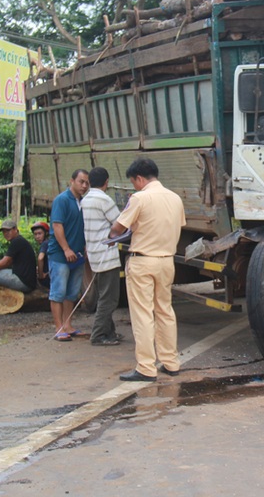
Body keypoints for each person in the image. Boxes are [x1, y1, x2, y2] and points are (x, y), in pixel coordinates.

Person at [110, 158, 185, 382]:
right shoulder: (175, 198)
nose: (134, 185)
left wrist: (117, 232)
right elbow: (177, 225)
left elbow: (117, 228)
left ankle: (145, 367)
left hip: (142, 261)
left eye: (134, 181)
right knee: (165, 311)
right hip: (167, 261)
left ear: (140, 178)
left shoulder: (139, 198)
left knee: (143, 314)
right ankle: (171, 362)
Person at [47, 169, 90, 340]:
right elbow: (58, 226)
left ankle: (68, 324)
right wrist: (66, 248)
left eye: (87, 182)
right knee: (58, 291)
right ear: (72, 181)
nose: (84, 185)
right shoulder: (62, 200)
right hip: (60, 255)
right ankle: (58, 327)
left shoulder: (82, 202)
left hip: (77, 254)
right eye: (81, 181)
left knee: (72, 292)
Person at [81, 167, 122, 346]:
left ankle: (110, 332)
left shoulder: (86, 199)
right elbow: (120, 223)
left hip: (95, 254)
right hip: (107, 255)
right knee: (109, 298)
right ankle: (98, 335)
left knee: (104, 295)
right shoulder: (104, 200)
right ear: (106, 182)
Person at [31, 221, 50, 287]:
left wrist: (41, 275)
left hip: (47, 278)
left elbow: (40, 258)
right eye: (35, 234)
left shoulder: (45, 244)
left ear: (46, 233)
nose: (37, 236)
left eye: (39, 233)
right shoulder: (49, 242)